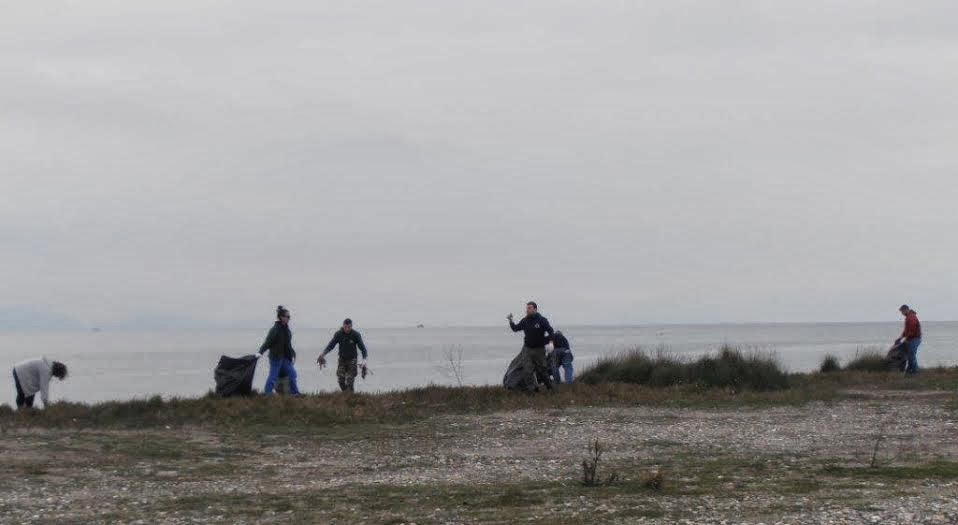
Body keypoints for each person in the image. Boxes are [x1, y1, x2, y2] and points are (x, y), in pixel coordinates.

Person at [508, 301, 555, 391]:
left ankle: (550, 388)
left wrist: (551, 342)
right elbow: (515, 328)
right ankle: (532, 390)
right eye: (527, 308)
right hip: (527, 349)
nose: (527, 310)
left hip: (539, 350)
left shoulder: (542, 320)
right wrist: (511, 321)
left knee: (542, 371)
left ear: (535, 309)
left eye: (529, 308)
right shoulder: (525, 320)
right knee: (527, 371)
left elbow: (551, 331)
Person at [257, 305, 301, 396]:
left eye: (289, 317)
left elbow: (287, 344)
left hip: (285, 358)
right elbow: (267, 342)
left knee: (292, 374)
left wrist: (292, 352)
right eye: (287, 316)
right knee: (273, 376)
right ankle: (268, 394)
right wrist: (259, 353)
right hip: (276, 357)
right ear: (281, 317)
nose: (289, 318)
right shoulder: (275, 329)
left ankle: (295, 393)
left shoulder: (287, 329)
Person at [318, 319, 368, 392]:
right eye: (345, 327)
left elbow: (363, 349)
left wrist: (364, 360)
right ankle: (345, 393)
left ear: (351, 326)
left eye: (349, 327)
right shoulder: (338, 334)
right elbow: (331, 345)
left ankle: (350, 396)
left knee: (350, 380)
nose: (347, 329)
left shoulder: (356, 335)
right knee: (340, 379)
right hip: (342, 359)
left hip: (352, 360)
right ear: (343, 326)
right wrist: (323, 354)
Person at [895, 305, 922, 375]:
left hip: (914, 339)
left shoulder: (911, 317)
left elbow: (912, 330)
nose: (902, 313)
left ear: (906, 310)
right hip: (912, 339)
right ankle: (909, 372)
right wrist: (901, 337)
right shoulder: (908, 317)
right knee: (910, 355)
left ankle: (916, 371)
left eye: (902, 311)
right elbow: (906, 330)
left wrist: (907, 339)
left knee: (911, 355)